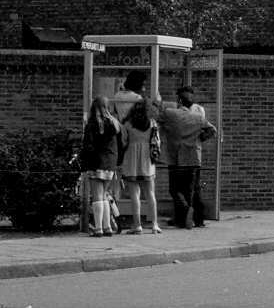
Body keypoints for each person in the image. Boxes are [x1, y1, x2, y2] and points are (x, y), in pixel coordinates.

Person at [158, 86, 217, 229]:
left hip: (176, 157)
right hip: (194, 157)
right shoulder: (199, 116)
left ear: (179, 100)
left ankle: (184, 212)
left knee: (174, 189)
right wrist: (199, 139)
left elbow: (158, 118)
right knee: (193, 190)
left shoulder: (170, 114)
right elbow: (212, 130)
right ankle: (198, 219)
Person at [80, 95, 123, 237]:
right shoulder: (114, 124)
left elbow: (88, 146)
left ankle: (98, 228)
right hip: (110, 162)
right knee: (104, 195)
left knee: (97, 196)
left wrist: (85, 164)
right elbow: (120, 144)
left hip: (95, 162)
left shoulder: (92, 124)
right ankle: (108, 227)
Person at [120, 99, 162, 234]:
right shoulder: (152, 123)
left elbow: (123, 141)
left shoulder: (127, 124)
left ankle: (137, 225)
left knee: (134, 195)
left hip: (131, 160)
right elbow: (157, 142)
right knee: (150, 193)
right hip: (146, 161)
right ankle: (154, 224)